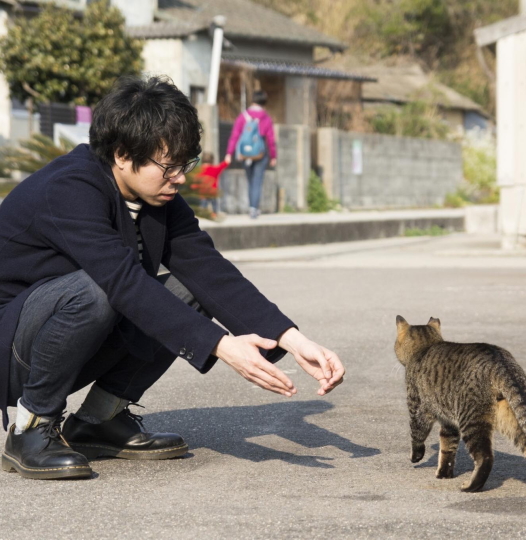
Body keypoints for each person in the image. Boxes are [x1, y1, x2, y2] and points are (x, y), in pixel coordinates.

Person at [0, 76, 344, 480]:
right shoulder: (70, 188)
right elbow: (123, 283)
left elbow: (209, 270)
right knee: (99, 290)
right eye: (169, 166)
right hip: (13, 347)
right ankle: (32, 426)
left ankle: (99, 421)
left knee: (186, 292)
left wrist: (292, 338)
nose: (179, 177)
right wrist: (222, 347)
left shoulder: (157, 195)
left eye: (186, 164)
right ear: (123, 154)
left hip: (68, 333)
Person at [224, 90, 276, 219]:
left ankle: (251, 207)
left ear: (252, 100)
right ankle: (254, 209)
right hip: (260, 154)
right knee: (257, 182)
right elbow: (271, 139)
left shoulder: (243, 116)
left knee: (250, 181)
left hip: (245, 154)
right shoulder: (266, 118)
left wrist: (229, 153)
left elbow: (235, 135)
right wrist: (273, 156)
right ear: (264, 102)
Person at [195, 151, 228, 218]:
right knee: (214, 204)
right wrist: (226, 161)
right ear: (212, 160)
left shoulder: (199, 170)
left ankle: (202, 214)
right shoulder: (214, 169)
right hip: (213, 191)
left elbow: (196, 181)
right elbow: (222, 166)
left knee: (203, 204)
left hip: (203, 192)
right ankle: (215, 213)